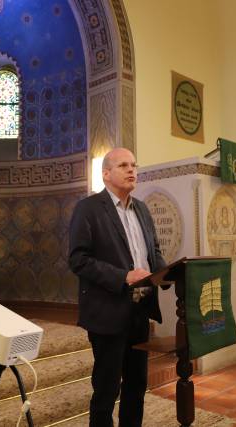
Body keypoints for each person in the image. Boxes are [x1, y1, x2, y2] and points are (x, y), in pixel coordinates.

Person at [68, 147, 168, 427]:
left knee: (136, 387)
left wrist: (166, 271)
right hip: (107, 311)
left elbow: (154, 250)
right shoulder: (88, 209)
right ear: (106, 174)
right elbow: (78, 260)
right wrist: (123, 276)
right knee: (107, 390)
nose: (132, 170)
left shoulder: (142, 209)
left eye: (134, 165)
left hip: (140, 310)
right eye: (124, 165)